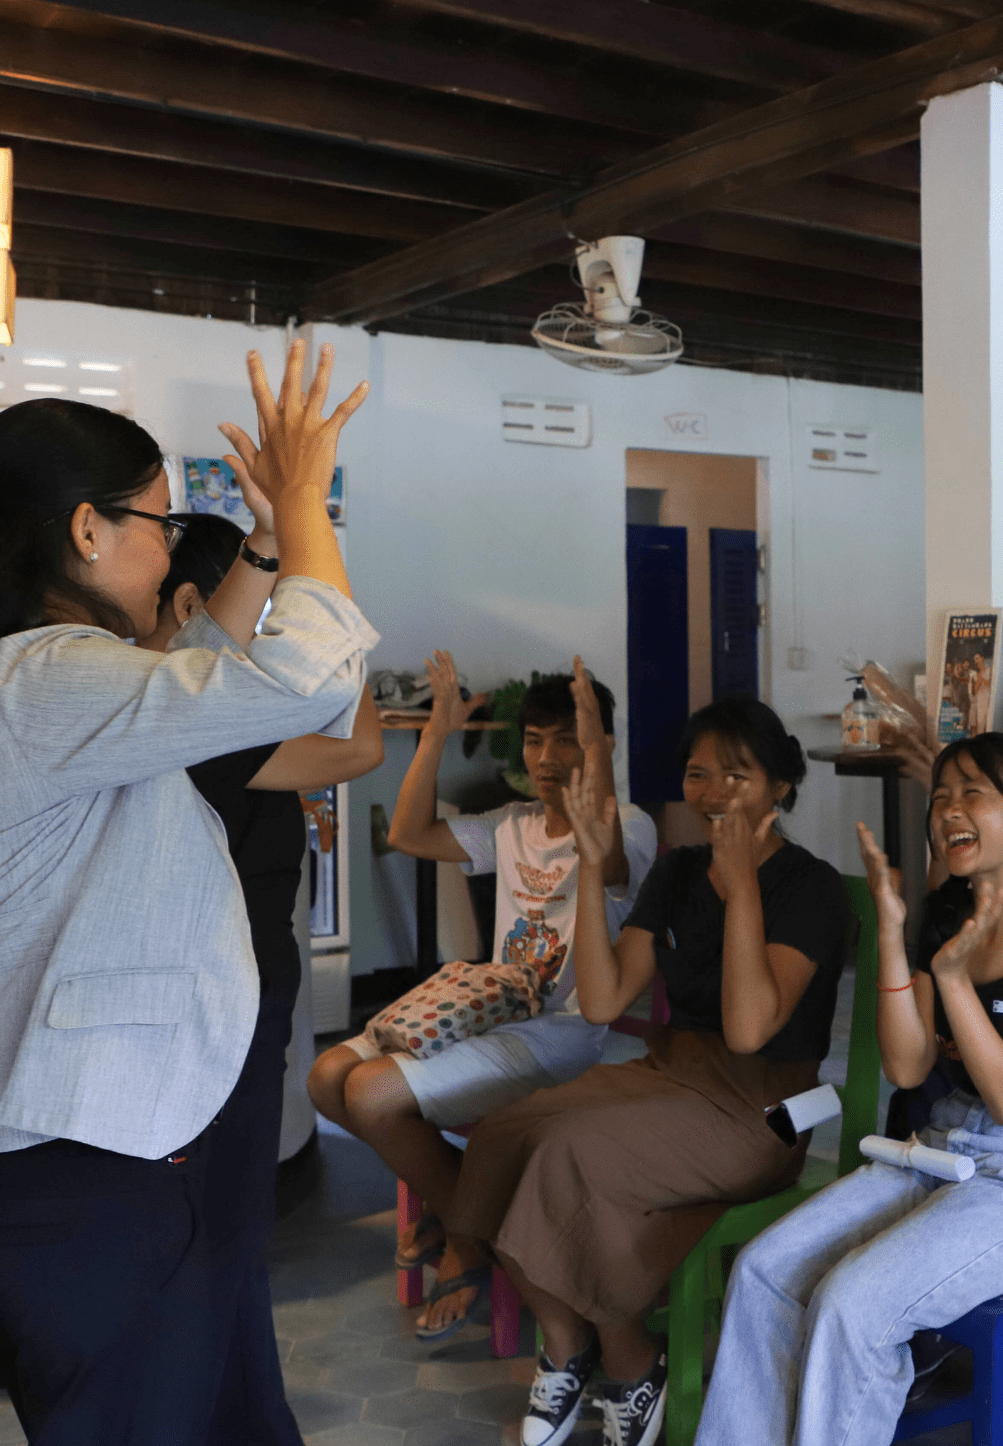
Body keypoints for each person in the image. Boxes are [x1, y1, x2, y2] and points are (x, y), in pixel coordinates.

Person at [0, 341, 375, 1445]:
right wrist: (304, 512)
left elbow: (197, 671)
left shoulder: (48, 678)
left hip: (112, 1160)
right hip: (88, 1184)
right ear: (87, 530)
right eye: (156, 523)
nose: (164, 554)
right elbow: (306, 680)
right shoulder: (43, 676)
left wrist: (255, 543)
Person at [695, 733, 1003, 1446]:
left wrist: (954, 982)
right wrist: (894, 935)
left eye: (972, 792)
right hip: (941, 1147)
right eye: (942, 795)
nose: (948, 809)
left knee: (850, 1304)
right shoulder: (949, 922)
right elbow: (911, 1067)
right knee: (764, 1270)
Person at [448, 692, 847, 1446]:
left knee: (569, 1154)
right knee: (504, 1133)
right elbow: (601, 1001)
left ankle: (628, 1363)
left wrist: (742, 895)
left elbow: (749, 1027)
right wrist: (593, 873)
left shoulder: (812, 887)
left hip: (764, 1109)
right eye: (699, 776)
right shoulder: (673, 873)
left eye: (739, 775)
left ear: (781, 787)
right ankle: (578, 1347)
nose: (716, 793)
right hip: (670, 1077)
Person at [308, 655, 656, 1342]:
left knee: (373, 1094)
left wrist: (602, 760)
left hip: (560, 1033)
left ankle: (465, 1235)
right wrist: (436, 733)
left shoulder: (632, 824)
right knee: (325, 1081)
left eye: (567, 738)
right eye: (534, 740)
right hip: (490, 1013)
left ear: (599, 745)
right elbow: (407, 834)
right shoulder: (515, 824)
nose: (548, 757)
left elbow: (609, 858)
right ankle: (469, 1207)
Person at [131, 508, 386, 1437]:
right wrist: (348, 638)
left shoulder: (180, 719)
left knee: (214, 1229)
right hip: (223, 999)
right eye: (268, 602)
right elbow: (359, 749)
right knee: (221, 1232)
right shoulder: (199, 728)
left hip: (228, 994)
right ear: (202, 603)